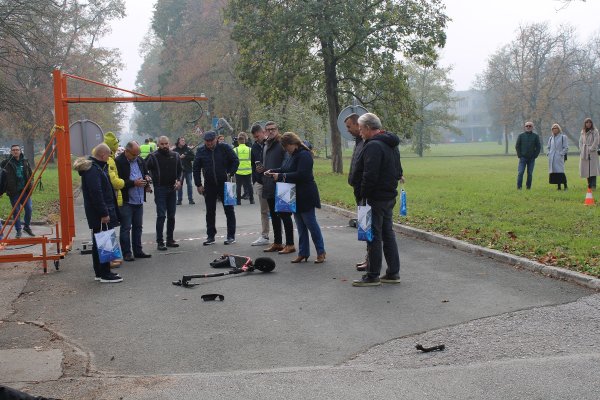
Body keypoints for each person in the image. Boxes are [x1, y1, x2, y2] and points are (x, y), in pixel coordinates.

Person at [351, 113, 403, 287]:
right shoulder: (391, 144)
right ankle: (393, 273)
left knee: (373, 236)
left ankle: (372, 275)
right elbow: (398, 170)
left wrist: (362, 195)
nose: (359, 133)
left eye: (360, 129)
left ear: (367, 127)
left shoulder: (373, 146)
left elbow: (369, 174)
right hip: (389, 196)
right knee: (388, 234)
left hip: (374, 197)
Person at [267, 132, 326, 263]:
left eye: (287, 147)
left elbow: (302, 174)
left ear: (293, 144)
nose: (286, 150)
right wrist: (273, 171)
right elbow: (285, 169)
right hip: (294, 195)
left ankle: (321, 251)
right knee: (300, 226)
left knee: (311, 224)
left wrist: (282, 176)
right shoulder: (291, 155)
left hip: (306, 194)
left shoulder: (305, 155)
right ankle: (303, 252)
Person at [73, 143, 122, 283]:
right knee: (105, 241)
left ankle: (101, 272)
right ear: (102, 155)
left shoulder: (95, 168)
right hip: (100, 213)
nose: (109, 158)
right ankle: (105, 274)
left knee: (99, 242)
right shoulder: (94, 170)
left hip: (100, 212)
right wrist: (104, 213)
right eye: (108, 155)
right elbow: (97, 194)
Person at [193, 130, 239, 245]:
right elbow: (196, 168)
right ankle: (210, 236)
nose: (209, 143)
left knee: (229, 210)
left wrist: (230, 173)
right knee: (210, 211)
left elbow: (235, 161)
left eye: (211, 141)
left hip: (226, 183)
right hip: (209, 185)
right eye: (207, 141)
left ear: (216, 139)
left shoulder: (225, 148)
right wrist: (198, 184)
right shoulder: (201, 151)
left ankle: (231, 236)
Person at [261, 121, 295, 254]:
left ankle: (290, 244)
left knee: (285, 216)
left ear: (277, 129)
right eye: (268, 129)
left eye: (273, 129)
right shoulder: (266, 144)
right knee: (274, 215)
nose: (270, 131)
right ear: (265, 131)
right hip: (269, 183)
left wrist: (279, 175)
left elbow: (287, 163)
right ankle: (278, 242)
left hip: (283, 184)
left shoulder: (282, 144)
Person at [115, 141, 152, 261]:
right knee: (126, 227)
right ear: (126, 151)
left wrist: (147, 178)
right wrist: (133, 183)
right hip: (127, 200)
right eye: (134, 154)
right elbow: (118, 182)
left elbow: (145, 172)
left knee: (138, 226)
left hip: (139, 198)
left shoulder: (140, 160)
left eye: (137, 154)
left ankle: (138, 250)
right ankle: (127, 253)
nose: (136, 157)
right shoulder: (119, 162)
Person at [145, 136, 183, 251]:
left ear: (169, 143)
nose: (164, 146)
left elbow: (181, 171)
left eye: (166, 143)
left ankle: (170, 239)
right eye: (162, 144)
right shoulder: (153, 156)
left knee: (171, 216)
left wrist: (179, 181)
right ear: (158, 145)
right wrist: (147, 179)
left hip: (172, 188)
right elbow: (143, 168)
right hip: (160, 188)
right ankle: (160, 241)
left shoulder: (175, 155)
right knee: (161, 215)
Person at [345, 113, 369, 272]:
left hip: (365, 192)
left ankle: (371, 260)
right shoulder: (358, 142)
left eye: (349, 126)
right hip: (358, 191)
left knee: (368, 228)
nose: (348, 130)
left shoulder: (367, 143)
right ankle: (369, 258)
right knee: (366, 228)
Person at [1, 144, 34, 238]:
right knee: (16, 211)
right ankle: (18, 230)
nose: (15, 151)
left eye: (17, 150)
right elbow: (2, 177)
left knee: (29, 209)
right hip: (13, 191)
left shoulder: (25, 161)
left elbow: (30, 175)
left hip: (25, 190)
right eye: (13, 150)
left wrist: (31, 184)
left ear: (20, 151)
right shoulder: (6, 163)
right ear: (11, 152)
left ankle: (26, 227)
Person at [103, 132, 125, 267]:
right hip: (110, 199)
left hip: (110, 198)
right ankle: (108, 260)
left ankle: (112, 257)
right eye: (116, 144)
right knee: (106, 229)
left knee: (109, 229)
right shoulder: (109, 160)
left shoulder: (109, 158)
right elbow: (113, 180)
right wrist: (122, 183)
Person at [250, 124, 270, 246]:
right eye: (254, 137)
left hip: (272, 181)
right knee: (264, 210)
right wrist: (255, 180)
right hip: (261, 182)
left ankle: (281, 235)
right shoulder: (254, 147)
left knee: (277, 210)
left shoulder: (271, 144)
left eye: (257, 136)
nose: (256, 139)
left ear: (263, 132)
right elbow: (253, 165)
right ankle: (265, 235)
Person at [515, 121, 542, 190]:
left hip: (531, 159)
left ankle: (528, 187)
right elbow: (517, 146)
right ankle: (519, 187)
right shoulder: (521, 136)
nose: (528, 127)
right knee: (520, 172)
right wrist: (519, 155)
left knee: (529, 173)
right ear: (525, 127)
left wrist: (535, 156)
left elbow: (538, 147)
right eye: (527, 126)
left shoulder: (535, 136)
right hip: (523, 158)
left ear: (532, 127)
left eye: (530, 126)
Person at [173, 137, 195, 205]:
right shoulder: (175, 150)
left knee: (190, 185)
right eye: (182, 140)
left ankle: (190, 199)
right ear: (178, 141)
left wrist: (185, 156)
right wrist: (178, 157)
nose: (183, 141)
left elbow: (193, 157)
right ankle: (179, 200)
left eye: (184, 140)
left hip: (188, 169)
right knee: (179, 185)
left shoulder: (188, 149)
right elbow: (171, 159)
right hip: (179, 170)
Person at [579, 118, 600, 189]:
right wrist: (582, 149)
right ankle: (589, 185)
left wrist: (591, 148)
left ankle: (593, 185)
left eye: (590, 122)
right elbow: (580, 141)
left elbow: (596, 141)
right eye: (587, 122)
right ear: (585, 124)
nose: (588, 124)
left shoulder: (595, 131)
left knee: (593, 169)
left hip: (592, 152)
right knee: (586, 169)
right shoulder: (582, 131)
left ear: (592, 123)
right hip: (584, 152)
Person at [233, 132, 254, 205]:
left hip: (238, 171)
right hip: (248, 170)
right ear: (245, 141)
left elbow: (233, 160)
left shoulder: (235, 150)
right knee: (249, 185)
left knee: (238, 186)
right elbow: (252, 159)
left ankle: (238, 201)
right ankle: (252, 200)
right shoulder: (249, 149)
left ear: (238, 141)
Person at [547, 123, 569, 190]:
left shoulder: (563, 137)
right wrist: (549, 153)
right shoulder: (551, 138)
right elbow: (548, 147)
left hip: (559, 157)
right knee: (555, 172)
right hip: (552, 157)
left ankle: (565, 186)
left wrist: (561, 154)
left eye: (556, 128)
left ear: (559, 129)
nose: (554, 129)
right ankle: (559, 187)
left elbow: (566, 147)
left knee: (560, 171)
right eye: (553, 128)